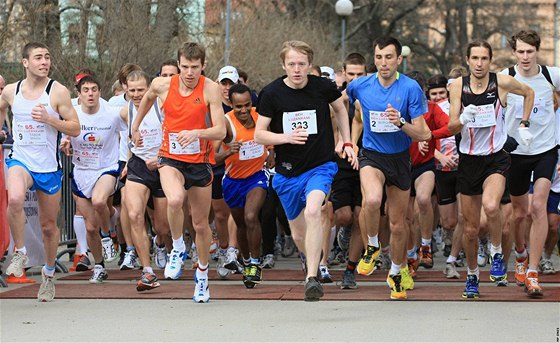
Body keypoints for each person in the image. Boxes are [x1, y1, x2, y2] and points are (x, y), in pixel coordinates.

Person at [255, 40, 357, 302]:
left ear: (310, 65)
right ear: (283, 65)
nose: (297, 69)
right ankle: (309, 259)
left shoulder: (322, 87)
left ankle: (312, 277)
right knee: (299, 234)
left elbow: (341, 110)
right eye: (292, 64)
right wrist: (286, 137)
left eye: (301, 64)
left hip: (320, 166)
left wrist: (346, 141)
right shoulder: (272, 93)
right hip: (287, 173)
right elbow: (259, 135)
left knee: (315, 211)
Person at [132, 42, 225, 303]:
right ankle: (177, 247)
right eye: (185, 66)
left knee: (199, 224)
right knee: (174, 199)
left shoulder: (210, 89)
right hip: (170, 156)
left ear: (203, 66)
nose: (189, 72)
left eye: (195, 67)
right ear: (178, 64)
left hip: (199, 161)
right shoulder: (163, 84)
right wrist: (136, 126)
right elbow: (148, 97)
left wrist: (197, 133)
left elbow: (220, 130)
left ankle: (203, 277)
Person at [447, 40, 535, 299]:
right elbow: (452, 126)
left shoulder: (502, 83)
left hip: (496, 158)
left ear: (490, 60)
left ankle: (497, 252)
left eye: (484, 58)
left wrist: (524, 125)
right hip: (469, 161)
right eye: (474, 58)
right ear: (467, 60)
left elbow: (529, 93)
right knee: (471, 229)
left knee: (492, 205)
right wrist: (463, 118)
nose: (479, 63)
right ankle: (472, 275)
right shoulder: (457, 87)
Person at [348, 36, 431, 300]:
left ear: (398, 59)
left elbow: (423, 133)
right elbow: (338, 105)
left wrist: (401, 123)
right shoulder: (360, 85)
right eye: (379, 57)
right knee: (371, 200)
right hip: (372, 155)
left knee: (398, 225)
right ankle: (372, 246)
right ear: (374, 59)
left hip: (399, 158)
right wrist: (346, 140)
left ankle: (396, 271)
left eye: (388, 57)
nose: (383, 63)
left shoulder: (410, 88)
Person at [0, 42, 80, 302]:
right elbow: (1, 106)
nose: (44, 62)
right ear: (25, 62)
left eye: (47, 57)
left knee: (48, 228)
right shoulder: (12, 91)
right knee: (14, 199)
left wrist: (50, 120)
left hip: (48, 166)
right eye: (38, 58)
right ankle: (20, 252)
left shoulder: (57, 92)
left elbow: (75, 128)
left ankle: (47, 274)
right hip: (20, 159)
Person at [501, 30, 560, 297]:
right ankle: (521, 255)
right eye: (521, 52)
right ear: (514, 52)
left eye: (530, 51)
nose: (525, 57)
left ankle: (534, 272)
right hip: (517, 153)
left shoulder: (552, 76)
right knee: (519, 213)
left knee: (539, 206)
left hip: (546, 149)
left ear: (538, 51)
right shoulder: (505, 77)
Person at [60, 75, 126, 283]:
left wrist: (126, 159)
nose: (90, 94)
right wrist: (66, 142)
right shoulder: (73, 114)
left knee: (99, 201)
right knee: (89, 227)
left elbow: (129, 131)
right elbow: (65, 135)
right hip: (81, 171)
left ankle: (108, 236)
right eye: (86, 90)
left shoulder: (112, 114)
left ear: (100, 92)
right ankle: (99, 265)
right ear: (78, 95)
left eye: (94, 89)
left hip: (106, 168)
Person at [121, 70, 169, 292]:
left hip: (162, 165)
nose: (137, 94)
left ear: (150, 88)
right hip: (139, 164)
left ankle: (160, 244)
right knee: (134, 214)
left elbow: (174, 134)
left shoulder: (160, 105)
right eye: (132, 90)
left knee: (162, 226)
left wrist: (160, 158)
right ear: (125, 90)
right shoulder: (126, 111)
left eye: (141, 90)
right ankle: (147, 271)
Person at [218, 83, 268, 288]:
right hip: (233, 180)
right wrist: (228, 151)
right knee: (240, 224)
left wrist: (271, 152)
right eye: (239, 107)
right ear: (231, 104)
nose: (244, 110)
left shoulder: (260, 116)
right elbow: (212, 157)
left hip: (257, 176)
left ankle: (256, 263)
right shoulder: (225, 123)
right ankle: (246, 261)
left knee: (251, 216)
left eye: (247, 105)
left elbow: (269, 134)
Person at [330, 52, 367, 290]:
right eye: (350, 74)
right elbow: (333, 125)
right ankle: (342, 233)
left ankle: (350, 270)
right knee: (344, 216)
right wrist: (341, 144)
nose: (354, 78)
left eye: (359, 74)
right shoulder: (337, 98)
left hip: (367, 160)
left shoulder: (371, 96)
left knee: (361, 218)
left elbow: (363, 122)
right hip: (342, 160)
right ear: (343, 73)